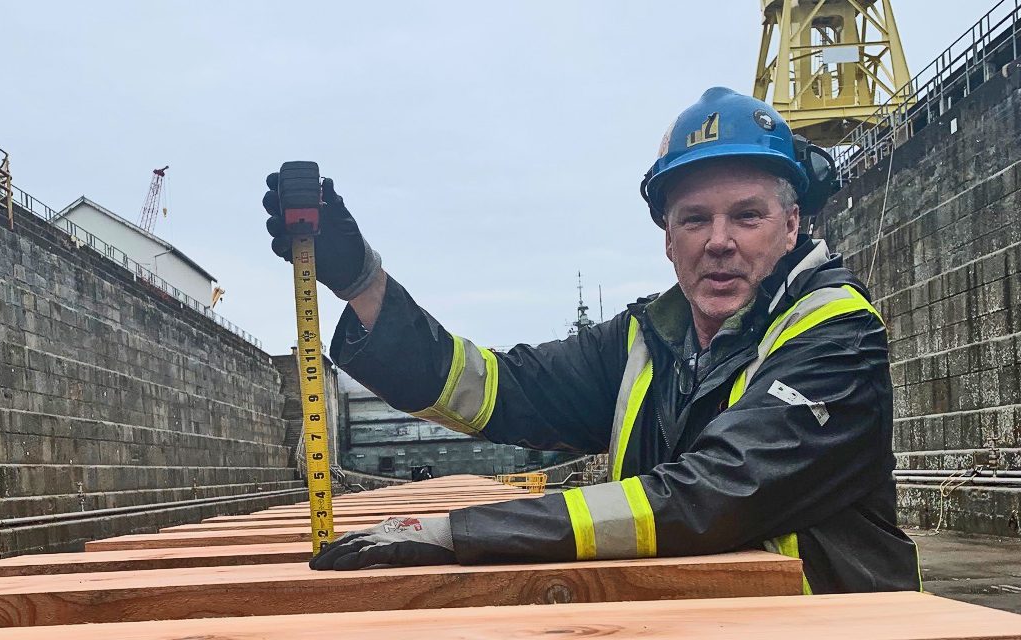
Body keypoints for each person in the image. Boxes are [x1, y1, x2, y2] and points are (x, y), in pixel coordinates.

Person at [262, 87, 922, 593]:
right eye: (695, 218)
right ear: (668, 237)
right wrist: (361, 282)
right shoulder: (646, 338)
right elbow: (496, 388)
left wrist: (459, 532)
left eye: (746, 215)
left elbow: (713, 496)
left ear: (791, 224)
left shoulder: (836, 333)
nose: (719, 240)